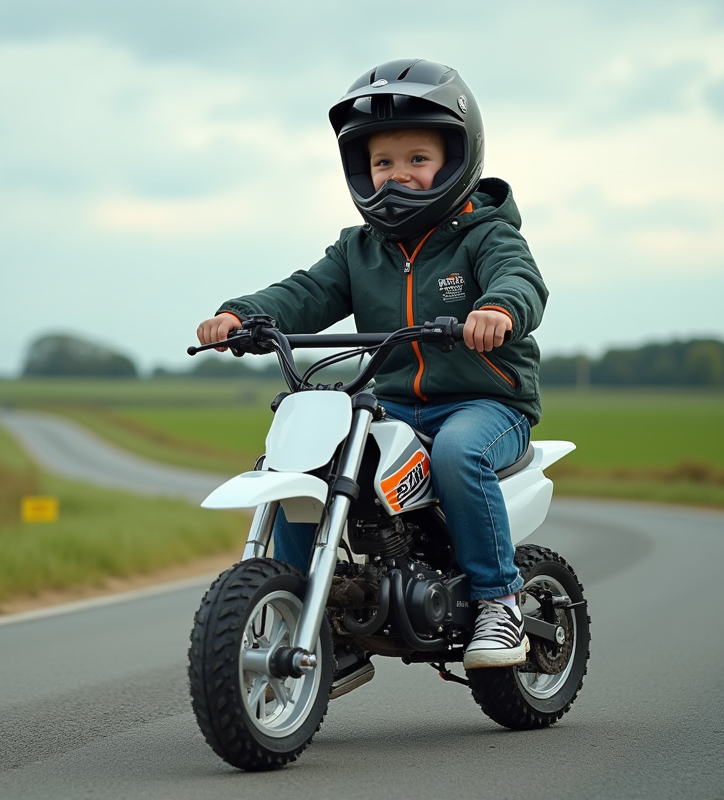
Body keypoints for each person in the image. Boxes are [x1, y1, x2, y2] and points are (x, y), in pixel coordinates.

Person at [195, 58, 548, 675]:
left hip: (485, 404)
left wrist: (498, 308)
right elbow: (305, 292)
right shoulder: (358, 250)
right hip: (393, 406)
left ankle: (499, 601)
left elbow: (521, 282)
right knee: (312, 457)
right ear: (362, 170)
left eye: (417, 159)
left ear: (457, 160)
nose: (398, 176)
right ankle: (319, 614)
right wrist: (243, 315)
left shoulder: (487, 235)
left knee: (457, 453)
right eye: (383, 163)